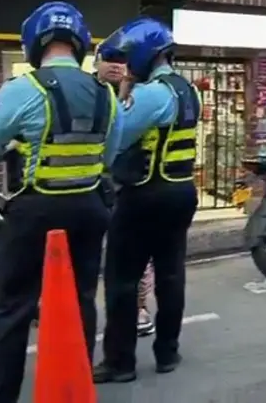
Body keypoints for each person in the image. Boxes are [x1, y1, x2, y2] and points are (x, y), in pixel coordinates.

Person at [0, 1, 123, 402]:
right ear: (79, 44)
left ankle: (0, 396)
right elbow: (110, 156)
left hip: (35, 211)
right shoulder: (105, 94)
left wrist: (18, 142)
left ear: (34, 43)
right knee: (82, 299)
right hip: (89, 208)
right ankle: (73, 385)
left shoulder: (24, 87)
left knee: (14, 305)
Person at [93, 18, 201, 383]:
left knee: (122, 278)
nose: (125, 63)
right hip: (181, 190)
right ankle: (168, 352)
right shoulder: (187, 89)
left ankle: (119, 362)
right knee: (171, 275)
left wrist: (121, 88)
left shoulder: (152, 94)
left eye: (128, 56)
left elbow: (116, 137)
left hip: (145, 194)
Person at [94, 42, 156, 337]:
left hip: (127, 184)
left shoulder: (139, 93)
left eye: (122, 60)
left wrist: (125, 88)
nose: (116, 65)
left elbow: (121, 133)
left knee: (135, 255)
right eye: (109, 60)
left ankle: (139, 309)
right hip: (92, 184)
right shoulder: (90, 91)